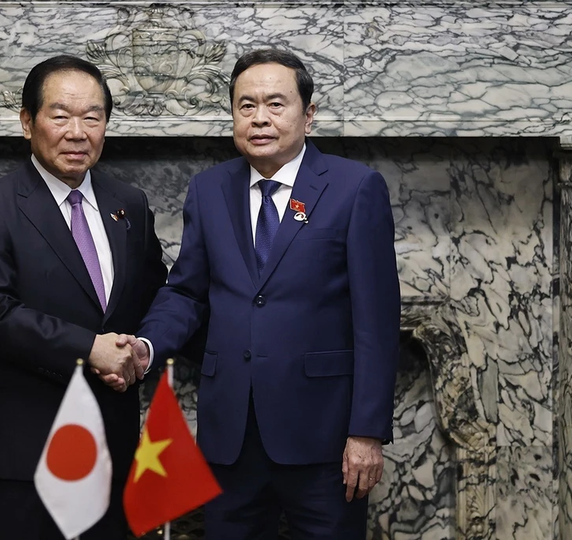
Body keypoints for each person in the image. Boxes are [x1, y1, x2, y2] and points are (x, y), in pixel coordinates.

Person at [115, 49, 400, 539]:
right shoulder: (209, 190)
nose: (260, 118)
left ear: (308, 115)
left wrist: (367, 432)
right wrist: (146, 345)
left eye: (275, 104)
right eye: (246, 106)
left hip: (325, 439)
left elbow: (376, 320)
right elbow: (186, 293)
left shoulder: (355, 188)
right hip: (231, 438)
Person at [0, 55, 167, 540]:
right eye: (60, 116)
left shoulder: (129, 204)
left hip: (113, 452)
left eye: (92, 117)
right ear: (27, 122)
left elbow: (157, 295)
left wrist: (144, 347)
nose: (77, 132)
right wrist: (89, 348)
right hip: (28, 456)